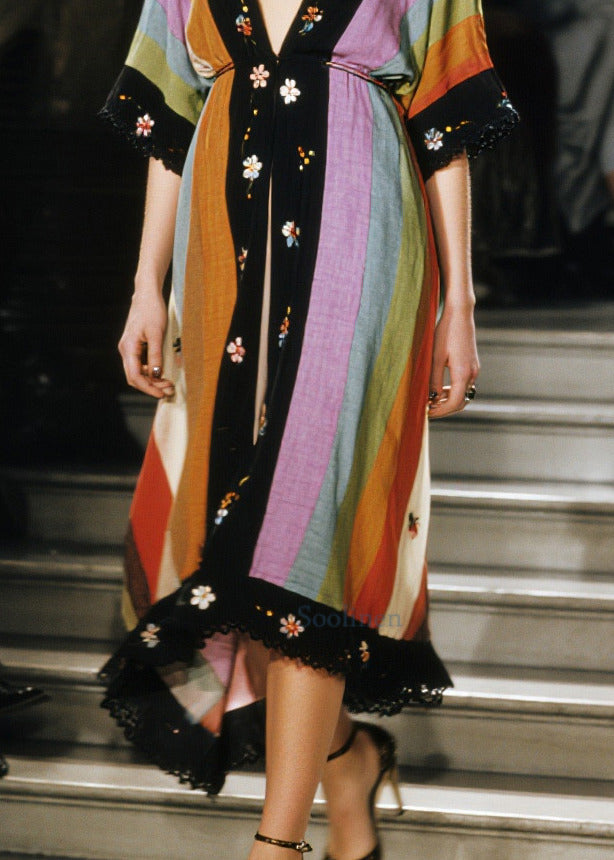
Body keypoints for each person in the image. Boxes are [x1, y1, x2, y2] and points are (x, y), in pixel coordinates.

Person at [99, 0, 517, 856]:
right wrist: (146, 282)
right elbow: (171, 117)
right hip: (221, 256)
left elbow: (447, 119)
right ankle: (347, 760)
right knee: (242, 545)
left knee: (305, 529)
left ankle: (276, 844)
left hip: (363, 247)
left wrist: (461, 303)